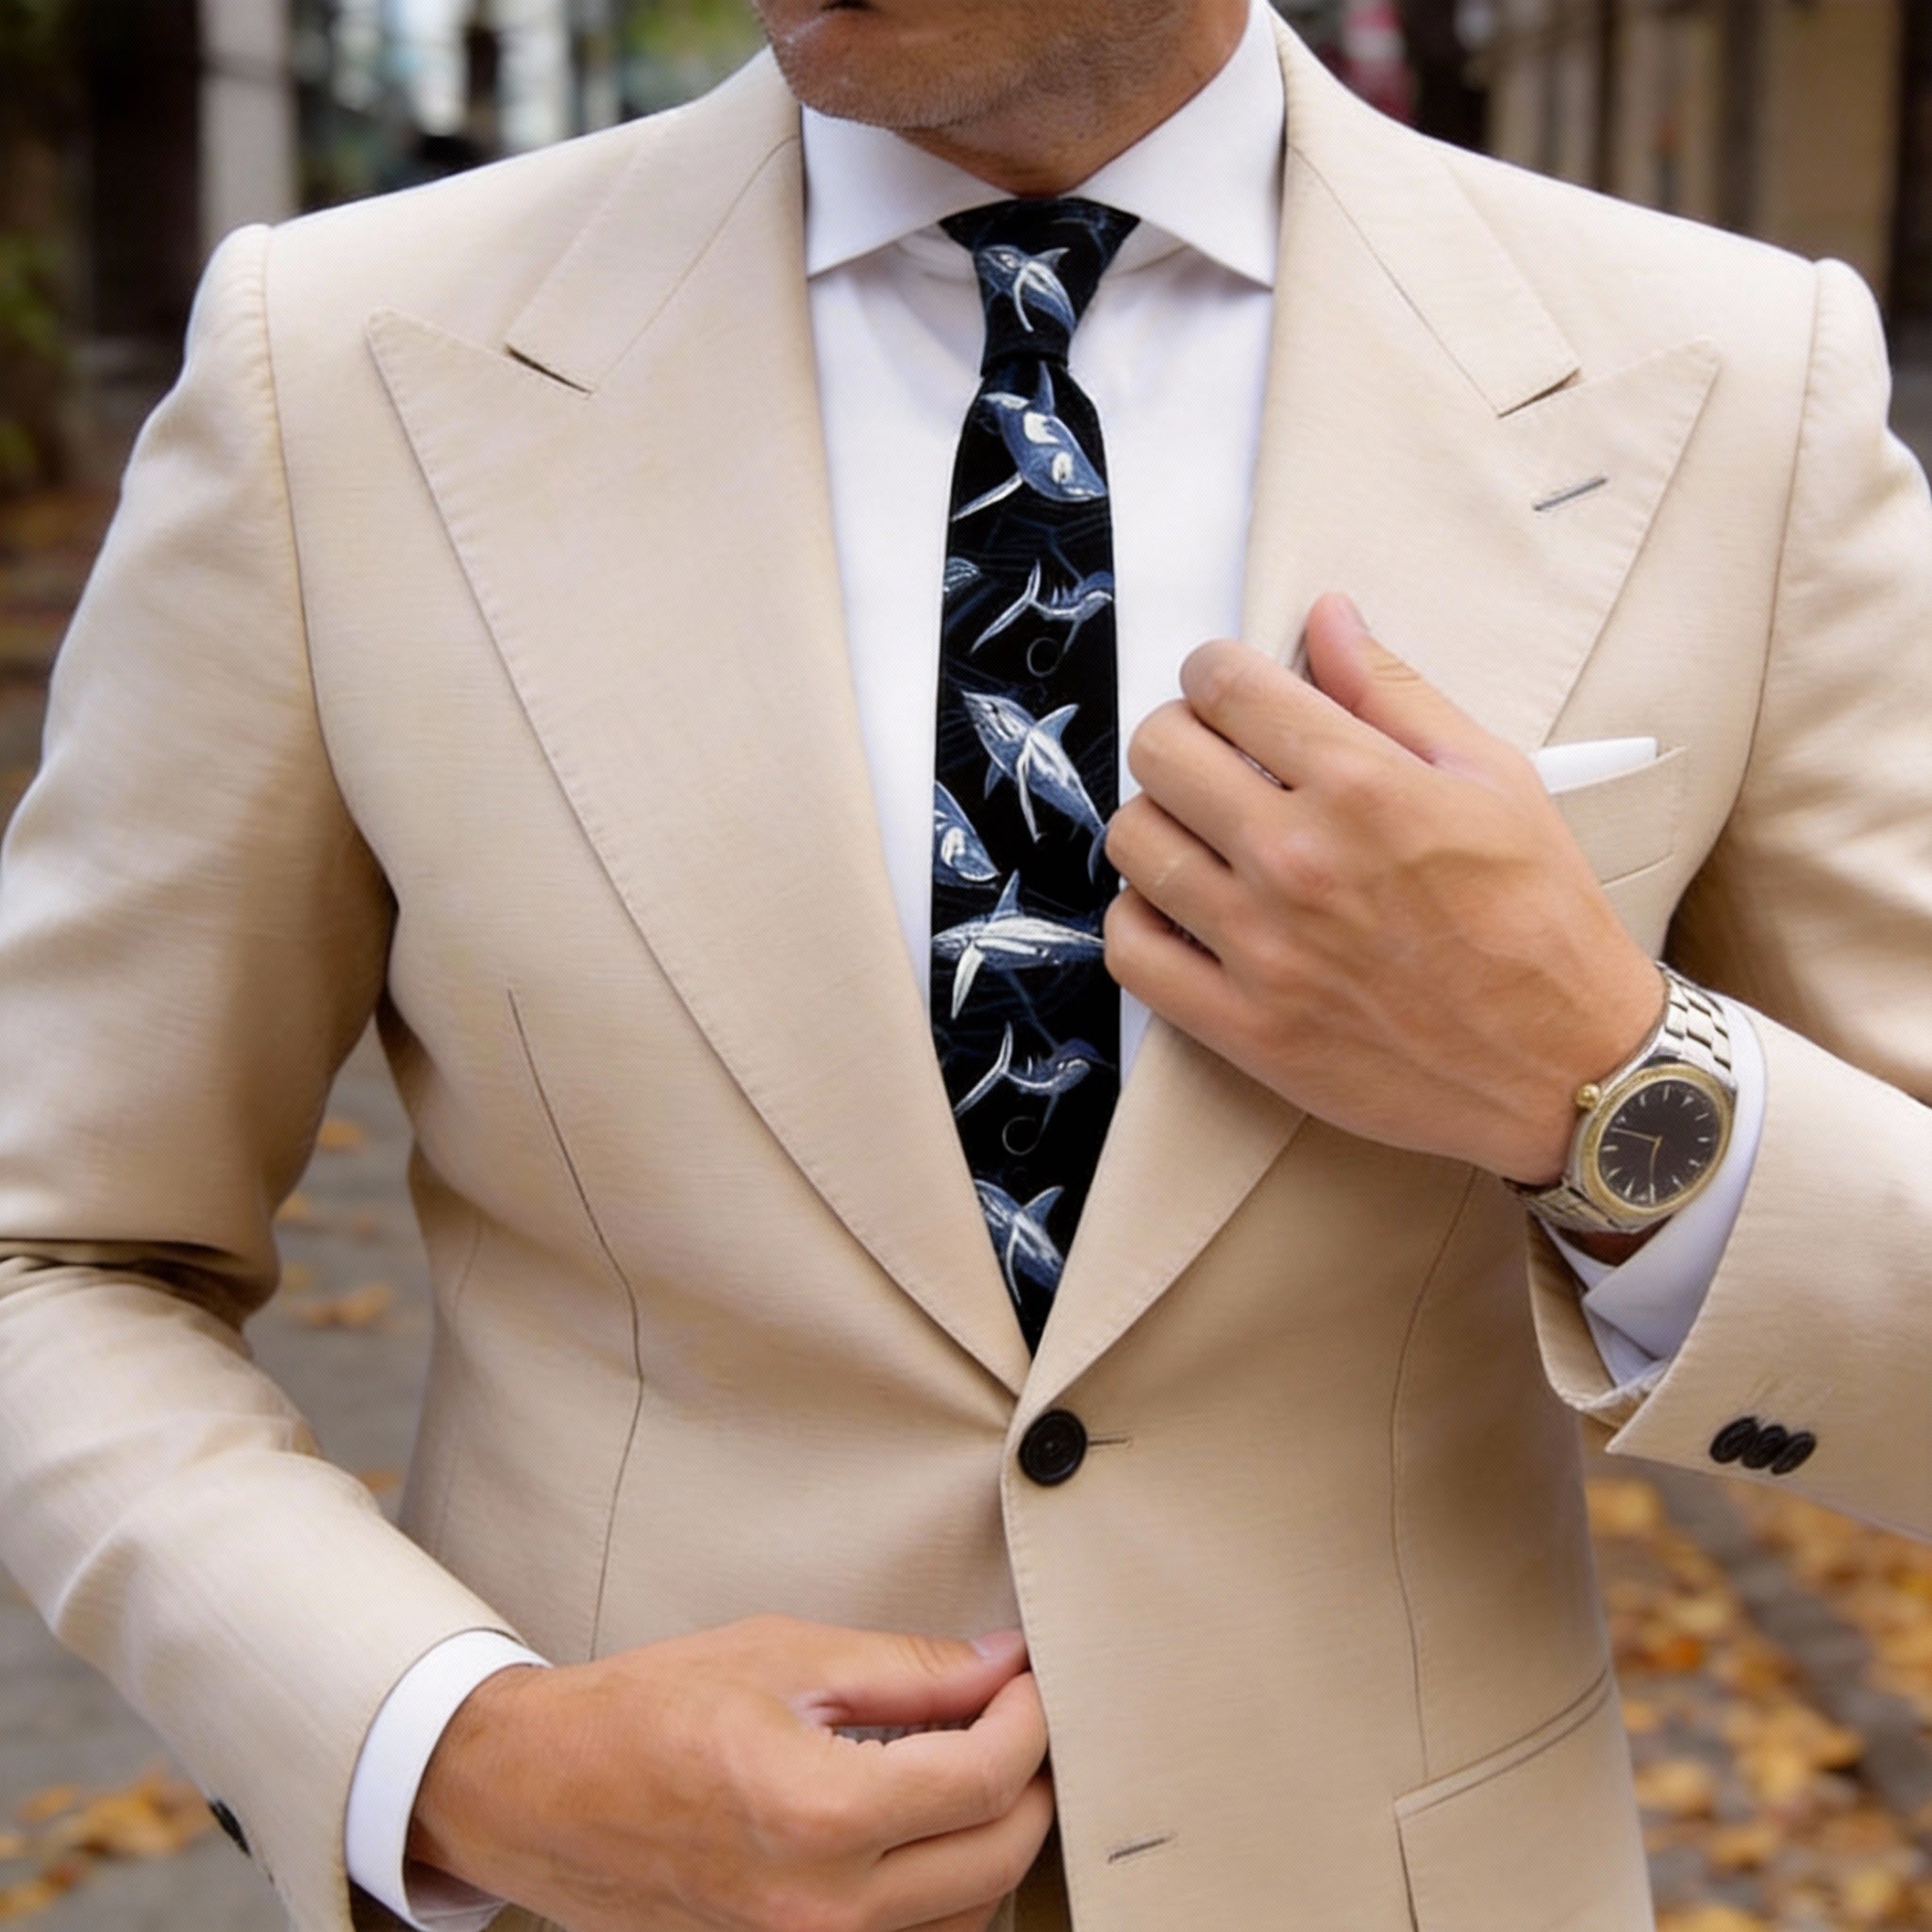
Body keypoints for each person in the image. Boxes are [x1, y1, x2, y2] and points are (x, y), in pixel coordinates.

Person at [0, 0, 1926, 1926]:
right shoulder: (337, 362)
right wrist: (455, 1752)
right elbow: (55, 1251)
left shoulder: (1733, 386)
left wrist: (1606, 1082)